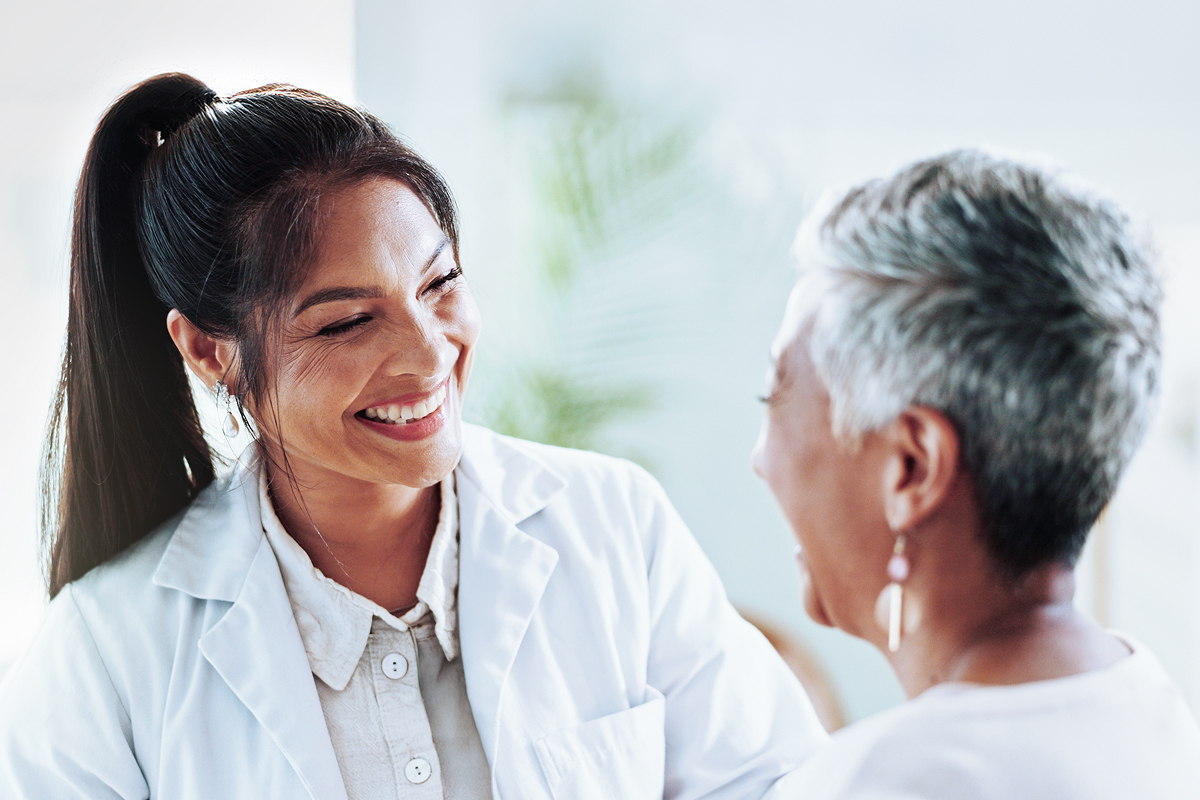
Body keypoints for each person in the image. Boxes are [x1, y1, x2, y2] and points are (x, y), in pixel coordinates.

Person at [0, 73, 826, 799]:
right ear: (211, 352)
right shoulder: (106, 656)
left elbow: (777, 783)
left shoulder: (615, 528)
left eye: (441, 284)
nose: (431, 355)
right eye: (350, 321)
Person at [753, 150, 1200, 798]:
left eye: (775, 397)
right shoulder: (1143, 700)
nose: (759, 460)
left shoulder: (886, 783)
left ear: (912, 467)